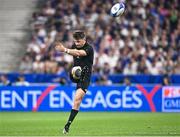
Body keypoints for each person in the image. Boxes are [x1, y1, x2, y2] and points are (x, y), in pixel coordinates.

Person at [54, 31, 94, 134]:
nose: (76, 44)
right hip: (75, 73)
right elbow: (74, 52)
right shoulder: (74, 45)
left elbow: (79, 53)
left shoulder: (89, 48)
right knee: (76, 99)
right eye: (75, 42)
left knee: (77, 100)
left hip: (85, 76)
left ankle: (67, 125)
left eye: (79, 42)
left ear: (84, 40)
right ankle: (67, 125)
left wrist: (65, 50)